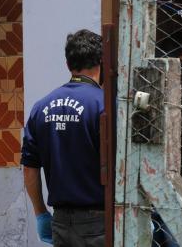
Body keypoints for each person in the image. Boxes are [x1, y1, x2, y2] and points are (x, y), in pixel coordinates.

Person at [21, 29, 105, 247]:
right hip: (100, 223)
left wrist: (41, 214)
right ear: (102, 63)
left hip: (60, 223)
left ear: (68, 65)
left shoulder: (41, 107)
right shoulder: (105, 106)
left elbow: (30, 167)